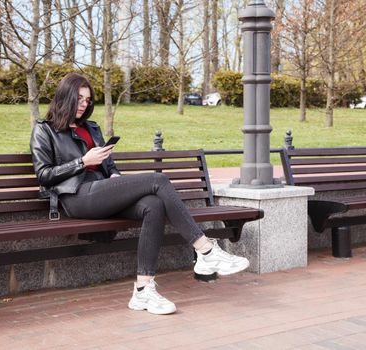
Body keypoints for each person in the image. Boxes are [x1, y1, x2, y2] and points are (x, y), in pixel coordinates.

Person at [30, 73, 249, 315]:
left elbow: (109, 165)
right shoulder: (45, 130)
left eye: (88, 100)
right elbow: (44, 174)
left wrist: (114, 176)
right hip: (77, 196)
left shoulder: (91, 128)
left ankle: (143, 290)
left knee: (153, 204)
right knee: (158, 179)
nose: (84, 103)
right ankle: (206, 250)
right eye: (79, 98)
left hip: (102, 191)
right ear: (66, 97)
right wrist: (82, 162)